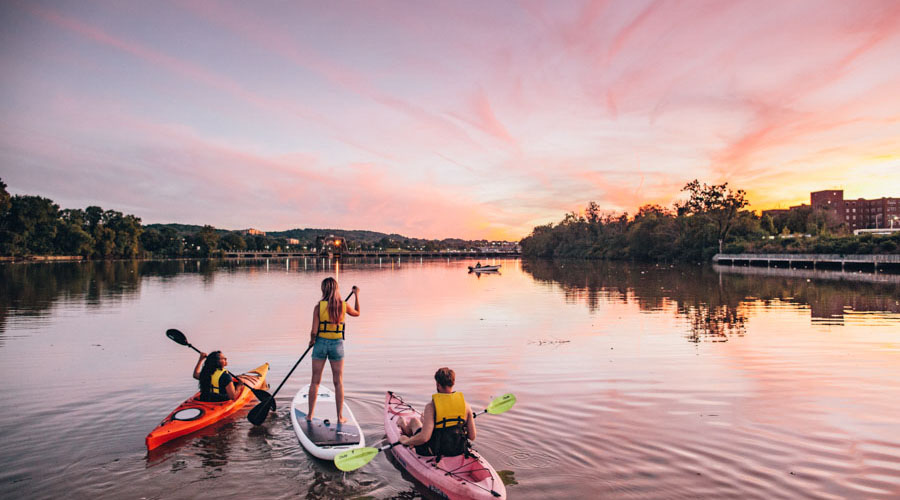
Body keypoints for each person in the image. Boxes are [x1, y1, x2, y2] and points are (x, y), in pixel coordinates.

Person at [307, 277, 360, 423]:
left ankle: (310, 415)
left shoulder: (318, 307)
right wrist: (356, 295)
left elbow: (314, 331)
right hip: (337, 345)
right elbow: (357, 313)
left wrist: (311, 341)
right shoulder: (344, 306)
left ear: (323, 290)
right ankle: (340, 417)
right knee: (338, 382)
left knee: (315, 382)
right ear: (336, 289)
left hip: (320, 344)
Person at [397, 367, 476, 458]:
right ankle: (420, 422)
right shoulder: (466, 406)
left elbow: (424, 438)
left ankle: (403, 425)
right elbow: (472, 436)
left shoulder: (431, 407)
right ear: (453, 383)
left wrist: (406, 441)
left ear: (438, 384)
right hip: (458, 450)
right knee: (423, 420)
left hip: (433, 451)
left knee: (414, 421)